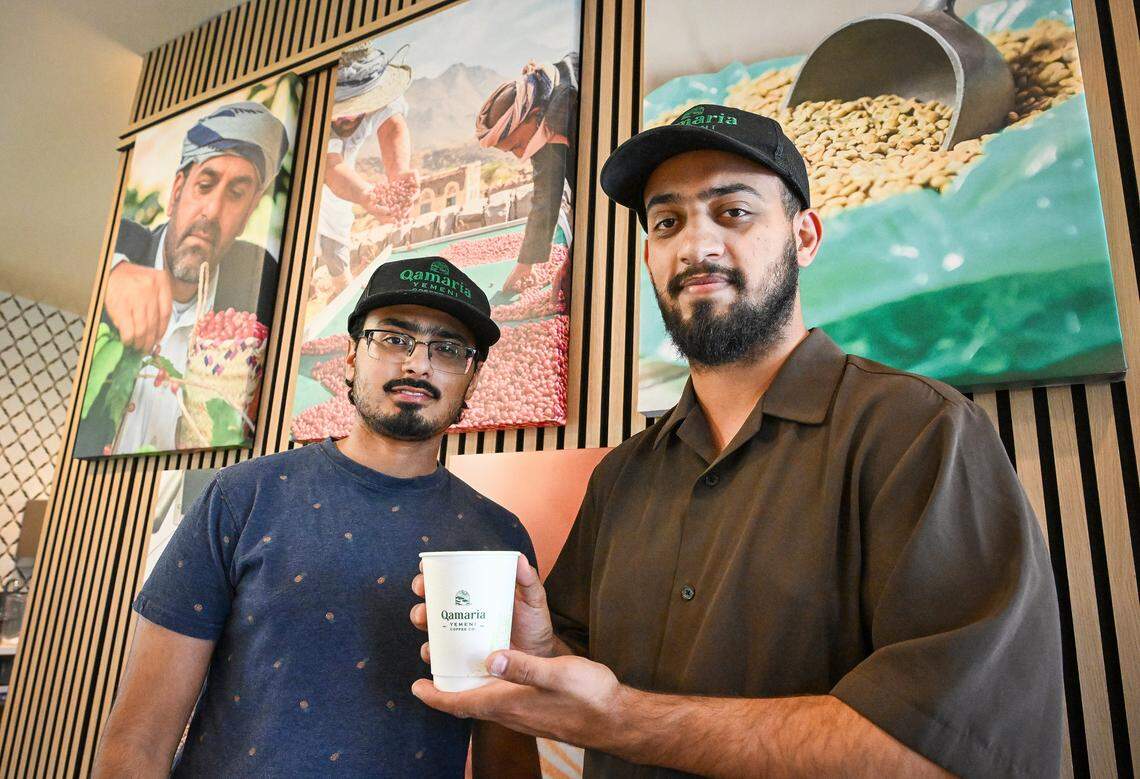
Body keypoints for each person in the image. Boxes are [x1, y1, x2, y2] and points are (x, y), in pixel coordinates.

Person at [410, 104, 1064, 777]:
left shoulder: (919, 433)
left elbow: (942, 753)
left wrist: (622, 718)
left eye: (733, 212)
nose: (696, 245)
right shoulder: (622, 478)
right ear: (649, 257)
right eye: (668, 222)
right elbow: (572, 681)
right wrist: (537, 650)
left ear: (805, 236)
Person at [92, 256, 541, 777]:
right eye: (393, 339)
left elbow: (507, 750)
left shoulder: (499, 538)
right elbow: (138, 740)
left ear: (473, 377)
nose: (418, 364)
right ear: (350, 356)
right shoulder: (242, 497)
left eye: (447, 349)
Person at [102, 101, 289, 455]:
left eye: (236, 195)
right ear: (176, 192)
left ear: (249, 211)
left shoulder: (255, 282)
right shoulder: (120, 246)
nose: (213, 212)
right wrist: (112, 274)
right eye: (205, 185)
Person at [317, 43, 418, 302]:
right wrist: (366, 195)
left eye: (355, 108)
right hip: (307, 171)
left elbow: (392, 127)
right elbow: (330, 166)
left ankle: (343, 290)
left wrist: (398, 175)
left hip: (341, 179)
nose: (344, 119)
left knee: (336, 228)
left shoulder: (376, 85)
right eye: (338, 111)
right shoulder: (315, 108)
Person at [476, 53, 578, 299]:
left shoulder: (573, 106)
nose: (520, 155)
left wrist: (575, 259)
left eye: (515, 146)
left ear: (535, 116)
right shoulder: (542, 119)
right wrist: (526, 264)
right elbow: (546, 194)